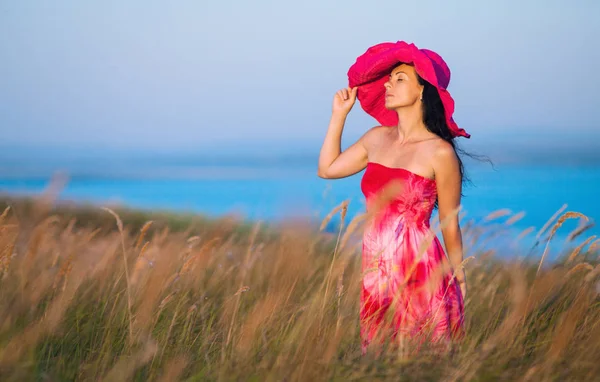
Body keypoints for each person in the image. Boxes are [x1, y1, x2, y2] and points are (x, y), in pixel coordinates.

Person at [317, 41, 468, 354]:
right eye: (389, 78)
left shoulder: (440, 153)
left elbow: (449, 223)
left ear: (423, 90)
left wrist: (460, 279)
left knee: (421, 354)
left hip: (421, 267)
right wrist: (338, 116)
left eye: (400, 78)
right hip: (376, 267)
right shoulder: (376, 138)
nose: (388, 83)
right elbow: (327, 169)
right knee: (379, 354)